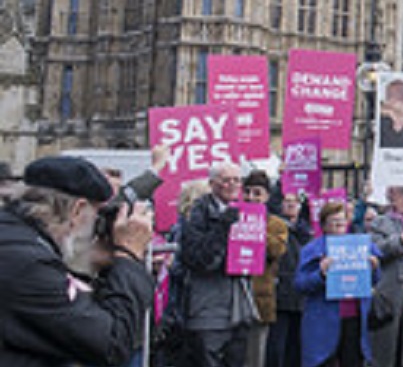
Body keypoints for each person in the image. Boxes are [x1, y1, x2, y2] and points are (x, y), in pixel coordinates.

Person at [0, 156, 155, 366]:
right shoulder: (27, 263)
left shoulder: (17, 241)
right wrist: (128, 257)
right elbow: (110, 343)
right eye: (96, 215)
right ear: (77, 210)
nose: (97, 227)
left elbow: (60, 317)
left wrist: (92, 266)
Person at [179, 163, 258, 367]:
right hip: (208, 309)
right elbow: (200, 260)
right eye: (226, 180)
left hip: (239, 307)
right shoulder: (198, 213)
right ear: (212, 184)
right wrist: (224, 226)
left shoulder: (248, 213)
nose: (232, 185)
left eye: (236, 180)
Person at [297, 202, 383, 367]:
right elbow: (300, 284)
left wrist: (374, 268)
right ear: (324, 225)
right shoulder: (312, 249)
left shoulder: (361, 246)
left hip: (354, 320)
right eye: (333, 222)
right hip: (322, 322)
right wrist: (320, 274)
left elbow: (374, 280)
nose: (338, 226)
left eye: (342, 222)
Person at [368, 186, 403, 367]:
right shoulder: (381, 222)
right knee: (387, 342)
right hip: (391, 289)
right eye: (401, 194)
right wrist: (401, 240)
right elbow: (376, 249)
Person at [242, 171, 289, 367]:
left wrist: (256, 225)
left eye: (257, 193)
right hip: (232, 297)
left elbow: (277, 250)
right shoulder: (232, 217)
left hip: (259, 298)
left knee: (255, 356)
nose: (251, 197)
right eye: (247, 192)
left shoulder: (276, 224)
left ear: (267, 196)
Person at [267, 194, 311, 367]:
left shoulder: (306, 231)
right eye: (287, 201)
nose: (292, 205)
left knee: (296, 348)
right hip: (281, 294)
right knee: (277, 348)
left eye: (296, 202)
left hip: (301, 296)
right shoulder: (276, 227)